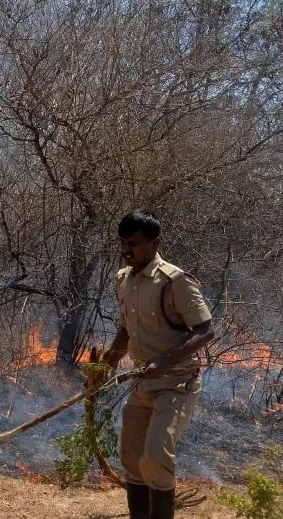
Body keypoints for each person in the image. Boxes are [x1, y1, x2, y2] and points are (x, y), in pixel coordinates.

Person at [101, 209, 215, 519]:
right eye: (122, 243)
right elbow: (126, 330)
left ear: (154, 243)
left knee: (154, 458)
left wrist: (165, 360)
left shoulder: (175, 281)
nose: (126, 250)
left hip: (176, 383)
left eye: (134, 243)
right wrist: (105, 368)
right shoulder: (123, 279)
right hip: (142, 385)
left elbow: (206, 330)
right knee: (133, 459)